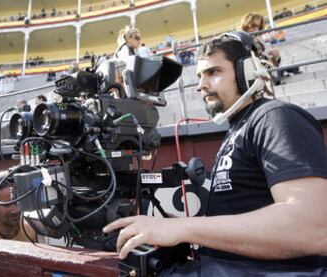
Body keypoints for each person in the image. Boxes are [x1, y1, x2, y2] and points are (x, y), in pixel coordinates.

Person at [103, 32, 327, 275]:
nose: (201, 84)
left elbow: (313, 228)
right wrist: (174, 227)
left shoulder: (275, 117)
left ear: (247, 72)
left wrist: (185, 229)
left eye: (213, 72)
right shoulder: (238, 128)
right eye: (199, 75)